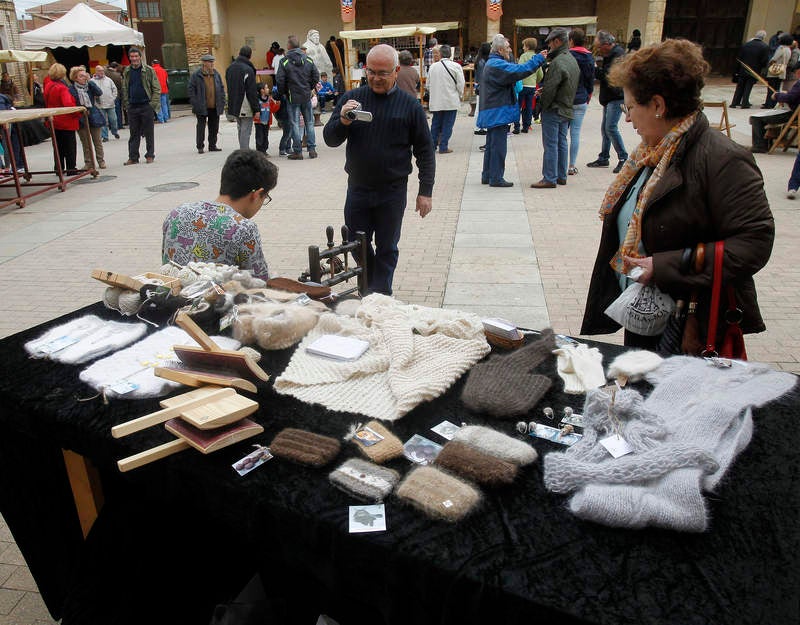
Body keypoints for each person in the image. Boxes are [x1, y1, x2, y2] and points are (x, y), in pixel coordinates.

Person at [581, 39, 774, 352]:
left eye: (630, 108)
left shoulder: (722, 159)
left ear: (658, 106)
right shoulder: (653, 153)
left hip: (690, 323)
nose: (627, 119)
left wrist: (666, 266)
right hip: (649, 311)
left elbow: (754, 242)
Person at [323, 44, 435, 295]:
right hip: (359, 188)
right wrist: (342, 119)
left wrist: (425, 191)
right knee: (355, 243)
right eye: (371, 71)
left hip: (392, 190)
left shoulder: (410, 105)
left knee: (387, 246)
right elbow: (330, 139)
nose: (375, 78)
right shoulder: (352, 99)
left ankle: (380, 295)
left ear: (396, 71)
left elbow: (425, 151)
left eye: (382, 73)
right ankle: (373, 287)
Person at [162, 149, 276, 281]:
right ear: (256, 195)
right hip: (215, 300)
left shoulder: (177, 214)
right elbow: (259, 283)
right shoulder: (243, 228)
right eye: (265, 197)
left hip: (169, 298)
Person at [477, 34, 546, 187]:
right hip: (498, 110)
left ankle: (488, 175)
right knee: (498, 146)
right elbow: (520, 70)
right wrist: (538, 59)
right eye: (508, 47)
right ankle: (496, 177)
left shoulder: (492, 63)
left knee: (492, 144)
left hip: (493, 109)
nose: (509, 50)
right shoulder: (497, 65)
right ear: (500, 49)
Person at [531, 27, 580, 189]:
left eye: (550, 43)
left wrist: (542, 105)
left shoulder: (558, 62)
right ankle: (560, 175)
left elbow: (552, 87)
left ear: (557, 42)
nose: (549, 47)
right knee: (561, 142)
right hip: (566, 106)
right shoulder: (571, 59)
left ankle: (549, 177)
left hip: (555, 107)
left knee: (551, 143)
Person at [587, 31, 628, 173]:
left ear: (606, 44)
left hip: (616, 96)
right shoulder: (612, 54)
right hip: (610, 97)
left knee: (610, 127)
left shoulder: (617, 55)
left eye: (599, 47)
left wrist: (594, 68)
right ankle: (604, 156)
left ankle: (623, 157)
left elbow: (608, 75)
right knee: (605, 128)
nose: (598, 50)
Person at [276, 35, 320, 160]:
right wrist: (309, 88)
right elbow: (315, 76)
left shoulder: (284, 61)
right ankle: (312, 150)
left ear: (289, 46)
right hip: (306, 96)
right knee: (309, 123)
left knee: (295, 124)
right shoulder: (309, 60)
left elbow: (280, 81)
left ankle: (297, 151)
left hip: (292, 97)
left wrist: (284, 92)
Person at [122, 47, 161, 165]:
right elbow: (124, 88)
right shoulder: (127, 71)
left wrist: (152, 105)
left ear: (140, 57)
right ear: (129, 58)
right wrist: (127, 103)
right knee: (134, 133)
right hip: (133, 106)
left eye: (136, 56)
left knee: (149, 132)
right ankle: (133, 157)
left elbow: (156, 88)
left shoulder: (148, 70)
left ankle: (150, 155)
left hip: (146, 105)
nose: (134, 59)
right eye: (132, 57)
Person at [750, 65, 800, 153]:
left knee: (756, 118)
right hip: (795, 112)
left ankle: (760, 146)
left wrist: (777, 95)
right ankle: (767, 141)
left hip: (793, 114)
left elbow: (790, 98)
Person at [427, 44, 465, 154]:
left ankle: (432, 146)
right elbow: (460, 84)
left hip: (436, 101)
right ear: (450, 54)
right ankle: (443, 146)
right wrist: (460, 94)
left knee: (435, 124)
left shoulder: (433, 67)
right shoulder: (456, 66)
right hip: (450, 100)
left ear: (441, 53)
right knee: (448, 124)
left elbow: (428, 85)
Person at [43, 63, 79, 174]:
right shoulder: (62, 88)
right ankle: (71, 168)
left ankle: (59, 167)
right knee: (70, 146)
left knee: (58, 146)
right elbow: (68, 104)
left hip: (53, 120)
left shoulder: (48, 85)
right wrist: (77, 113)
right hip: (65, 121)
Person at [568, 28, 595, 175]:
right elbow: (590, 79)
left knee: (561, 134)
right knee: (575, 133)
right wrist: (588, 94)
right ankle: (571, 165)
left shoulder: (567, 56)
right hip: (581, 98)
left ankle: (559, 164)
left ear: (571, 40)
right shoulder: (589, 57)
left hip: (567, 99)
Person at [188, 53, 226, 154]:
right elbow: (191, 90)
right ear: (204, 63)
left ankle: (212, 145)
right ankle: (200, 146)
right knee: (201, 127)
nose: (212, 64)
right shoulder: (196, 75)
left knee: (214, 127)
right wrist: (195, 103)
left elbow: (221, 88)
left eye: (212, 62)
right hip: (201, 106)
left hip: (215, 105)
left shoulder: (216, 74)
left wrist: (222, 100)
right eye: (210, 62)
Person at [69, 67, 105, 170]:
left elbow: (99, 92)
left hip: (93, 116)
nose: (83, 78)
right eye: (81, 76)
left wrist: (90, 82)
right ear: (75, 78)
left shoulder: (89, 86)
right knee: (85, 143)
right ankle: (88, 162)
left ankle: (101, 160)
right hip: (81, 117)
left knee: (97, 141)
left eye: (84, 75)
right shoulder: (71, 89)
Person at [226, 46, 259, 150]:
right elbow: (251, 91)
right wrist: (256, 108)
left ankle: (242, 150)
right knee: (246, 129)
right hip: (244, 103)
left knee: (240, 128)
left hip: (234, 102)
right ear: (250, 55)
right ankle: (244, 153)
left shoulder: (230, 68)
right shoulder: (248, 69)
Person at [731, 30, 770, 109]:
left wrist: (737, 69)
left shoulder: (746, 44)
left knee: (740, 86)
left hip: (743, 68)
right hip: (754, 69)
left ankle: (735, 102)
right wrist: (762, 67)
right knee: (748, 86)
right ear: (764, 37)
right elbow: (764, 60)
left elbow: (739, 57)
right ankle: (745, 102)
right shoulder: (765, 46)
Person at [515, 38, 543, 134]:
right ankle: (526, 126)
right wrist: (536, 81)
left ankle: (516, 126)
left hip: (522, 85)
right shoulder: (536, 57)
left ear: (527, 47)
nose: (523, 48)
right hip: (531, 86)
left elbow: (519, 69)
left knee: (518, 106)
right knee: (529, 106)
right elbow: (540, 74)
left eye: (523, 46)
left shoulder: (523, 56)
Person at [763, 34, 793, 108]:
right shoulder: (789, 49)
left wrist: (769, 64)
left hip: (775, 70)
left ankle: (768, 103)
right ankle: (773, 103)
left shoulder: (781, 48)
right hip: (782, 70)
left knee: (771, 88)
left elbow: (774, 58)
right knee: (777, 88)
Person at [91, 65, 119, 142]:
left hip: (110, 103)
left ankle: (114, 131)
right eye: (100, 71)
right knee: (103, 121)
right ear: (96, 72)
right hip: (99, 105)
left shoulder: (109, 80)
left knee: (113, 119)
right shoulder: (92, 81)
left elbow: (114, 89)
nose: (102, 72)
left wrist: (113, 98)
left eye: (102, 71)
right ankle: (105, 136)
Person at [254, 82, 280, 154]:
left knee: (265, 136)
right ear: (262, 90)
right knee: (259, 137)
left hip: (267, 121)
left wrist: (277, 104)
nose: (268, 89)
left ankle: (264, 150)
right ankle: (259, 151)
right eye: (266, 88)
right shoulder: (257, 100)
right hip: (259, 122)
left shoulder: (269, 99)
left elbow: (272, 109)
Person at [473, 42, 491, 135]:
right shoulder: (483, 61)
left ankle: (479, 127)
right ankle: (478, 127)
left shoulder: (478, 59)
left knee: (479, 107)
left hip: (479, 85)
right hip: (482, 86)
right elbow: (482, 76)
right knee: (479, 107)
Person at [106, 62, 124, 129]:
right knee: (118, 111)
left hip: (107, 95)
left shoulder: (105, 73)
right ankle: (119, 125)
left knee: (109, 111)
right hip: (116, 95)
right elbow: (120, 87)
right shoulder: (117, 75)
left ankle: (111, 126)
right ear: (116, 67)